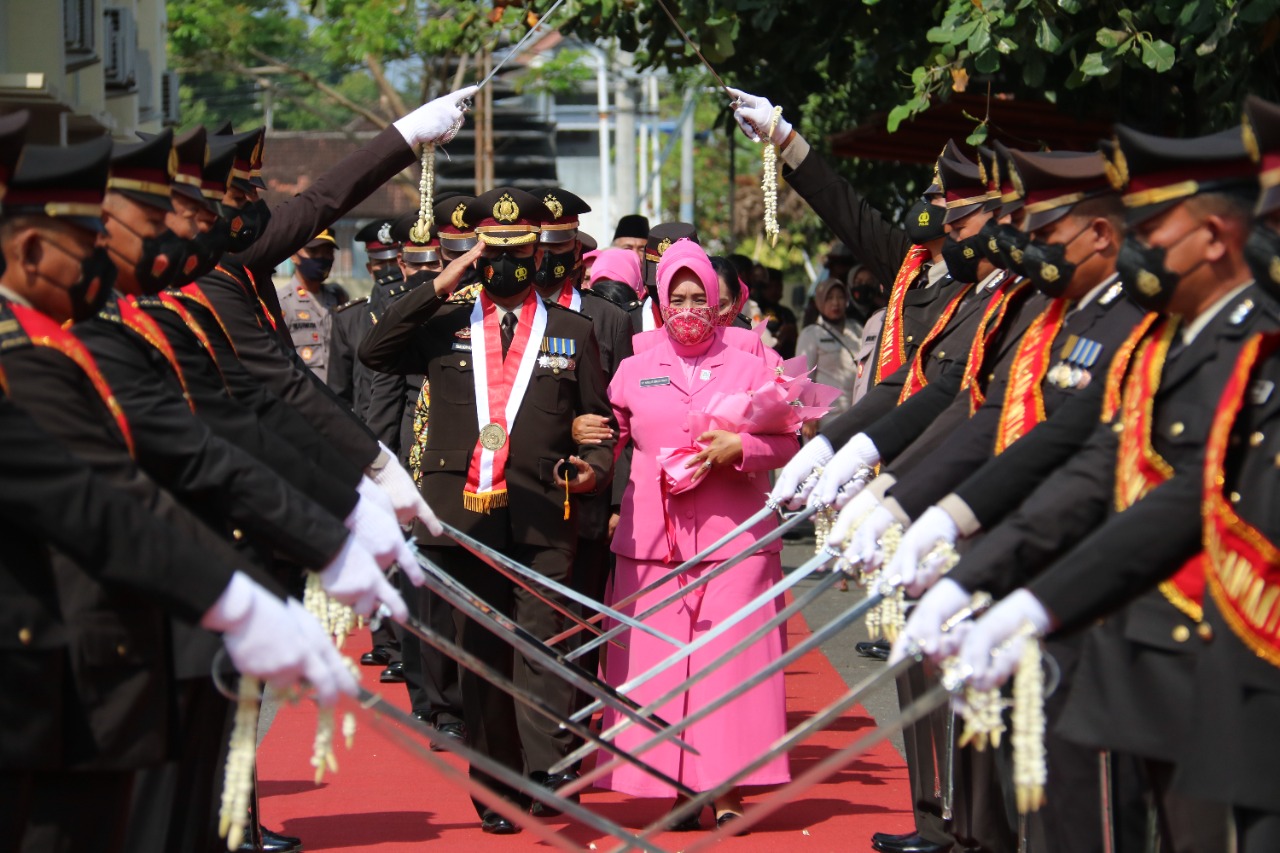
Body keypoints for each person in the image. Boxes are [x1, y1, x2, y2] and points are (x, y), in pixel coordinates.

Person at [359, 186, 615, 835]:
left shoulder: (572, 330)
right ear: (478, 254)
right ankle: (497, 784)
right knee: (483, 658)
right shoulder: (444, 324)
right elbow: (375, 348)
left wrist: (594, 471)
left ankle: (548, 774)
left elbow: (601, 426)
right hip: (462, 519)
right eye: (492, 252)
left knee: (544, 650)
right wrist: (446, 276)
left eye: (517, 251)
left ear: (536, 253)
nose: (506, 264)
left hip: (543, 512)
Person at [601, 238, 797, 830]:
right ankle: (676, 783)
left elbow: (790, 438)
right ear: (659, 303)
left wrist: (745, 447)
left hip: (734, 538)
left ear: (719, 303)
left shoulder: (753, 363)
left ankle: (730, 782)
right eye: (676, 299)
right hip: (651, 541)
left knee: (728, 663)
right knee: (659, 666)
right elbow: (609, 439)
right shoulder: (633, 368)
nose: (688, 310)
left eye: (698, 299)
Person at [277, 228, 349, 383]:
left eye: (327, 252)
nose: (321, 258)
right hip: (303, 397)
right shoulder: (282, 302)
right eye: (314, 251)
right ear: (293, 255)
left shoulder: (339, 298)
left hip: (339, 398)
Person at [795, 277, 862, 437]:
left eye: (840, 297)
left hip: (856, 415)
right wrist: (809, 416)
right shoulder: (811, 334)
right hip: (826, 421)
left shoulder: (857, 329)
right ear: (819, 302)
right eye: (829, 298)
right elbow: (803, 379)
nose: (835, 303)